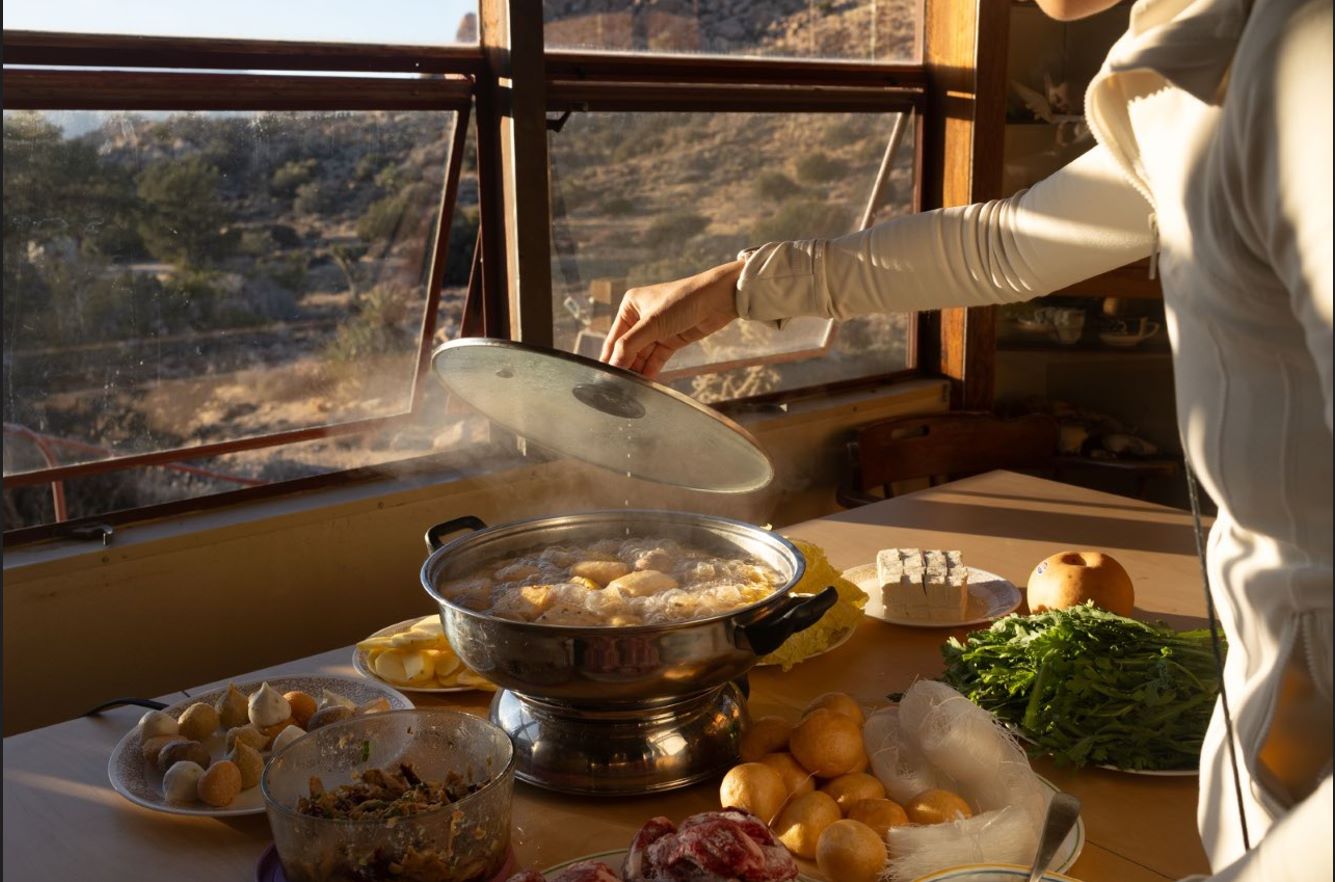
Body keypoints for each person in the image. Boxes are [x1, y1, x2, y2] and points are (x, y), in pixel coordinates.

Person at [599, 0, 1332, 879]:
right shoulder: (1197, 71)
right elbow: (1005, 245)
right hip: (1274, 714)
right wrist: (737, 287)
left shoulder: (1308, 58)